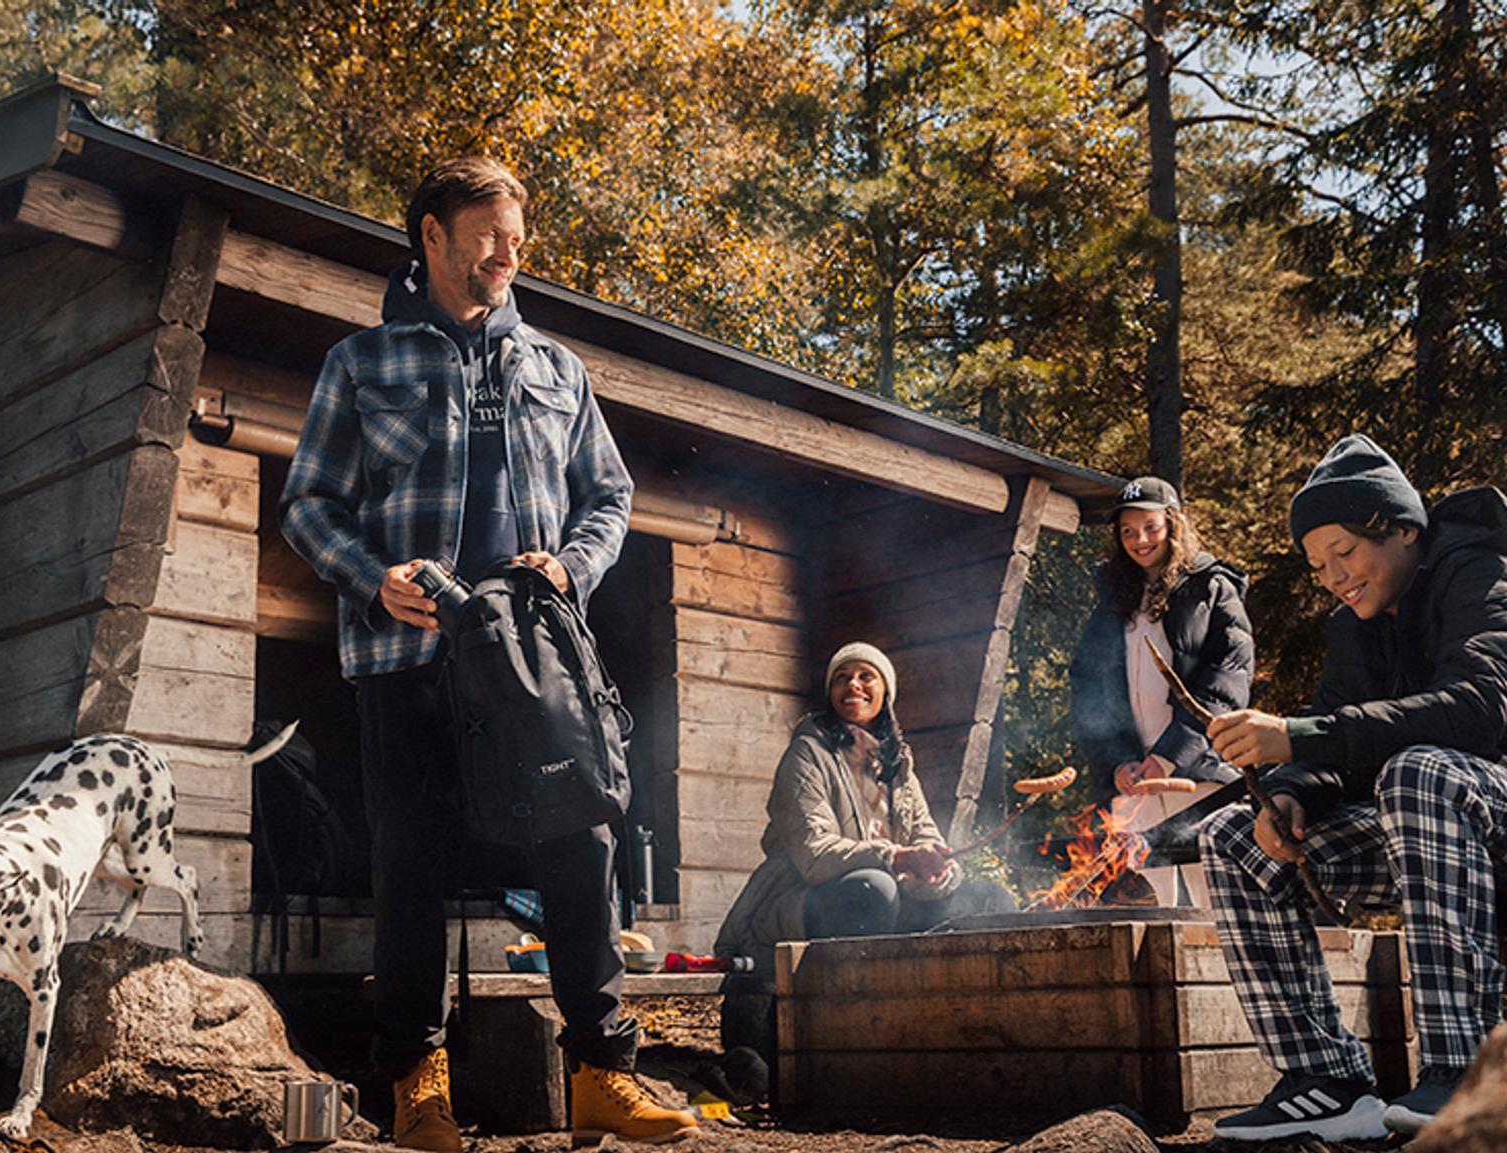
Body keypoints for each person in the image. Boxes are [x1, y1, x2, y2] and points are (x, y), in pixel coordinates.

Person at [281, 157, 696, 1147]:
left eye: (518, 236)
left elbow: (611, 494)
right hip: (406, 654)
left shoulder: (557, 368)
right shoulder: (361, 362)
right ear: (432, 234)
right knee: (409, 860)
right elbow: (307, 504)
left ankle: (602, 1075)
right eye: (491, 234)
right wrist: (371, 575)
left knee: (581, 842)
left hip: (538, 660)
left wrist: (572, 569)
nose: (510, 253)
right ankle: (416, 1087)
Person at [1199, 436, 1507, 1142]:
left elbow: (1474, 712)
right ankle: (1325, 1079)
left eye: (1344, 552)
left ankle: (1464, 1068)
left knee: (1420, 771)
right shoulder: (1355, 628)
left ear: (1402, 529)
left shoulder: (1486, 579)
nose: (1332, 576)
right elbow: (1337, 749)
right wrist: (1290, 792)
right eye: (1319, 565)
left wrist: (1296, 734)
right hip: (1445, 829)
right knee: (1233, 836)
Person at [713, 643, 1016, 1050]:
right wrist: (898, 857)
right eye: (842, 677)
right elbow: (814, 855)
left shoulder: (897, 765)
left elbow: (927, 836)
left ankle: (974, 1034)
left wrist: (936, 872)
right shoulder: (808, 753)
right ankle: (852, 1035)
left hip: (885, 899)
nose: (852, 684)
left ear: (885, 693)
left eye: (865, 676)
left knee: (990, 899)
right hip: (799, 903)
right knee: (873, 889)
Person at [1069, 476, 1252, 906]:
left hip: (1199, 773)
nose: (1140, 540)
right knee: (1154, 902)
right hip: (1136, 783)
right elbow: (1087, 688)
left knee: (1215, 895)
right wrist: (1117, 764)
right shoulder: (1112, 602)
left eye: (1150, 527)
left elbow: (1228, 679)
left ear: (1172, 524)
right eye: (1128, 532)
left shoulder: (1211, 588)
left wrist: (1170, 757)